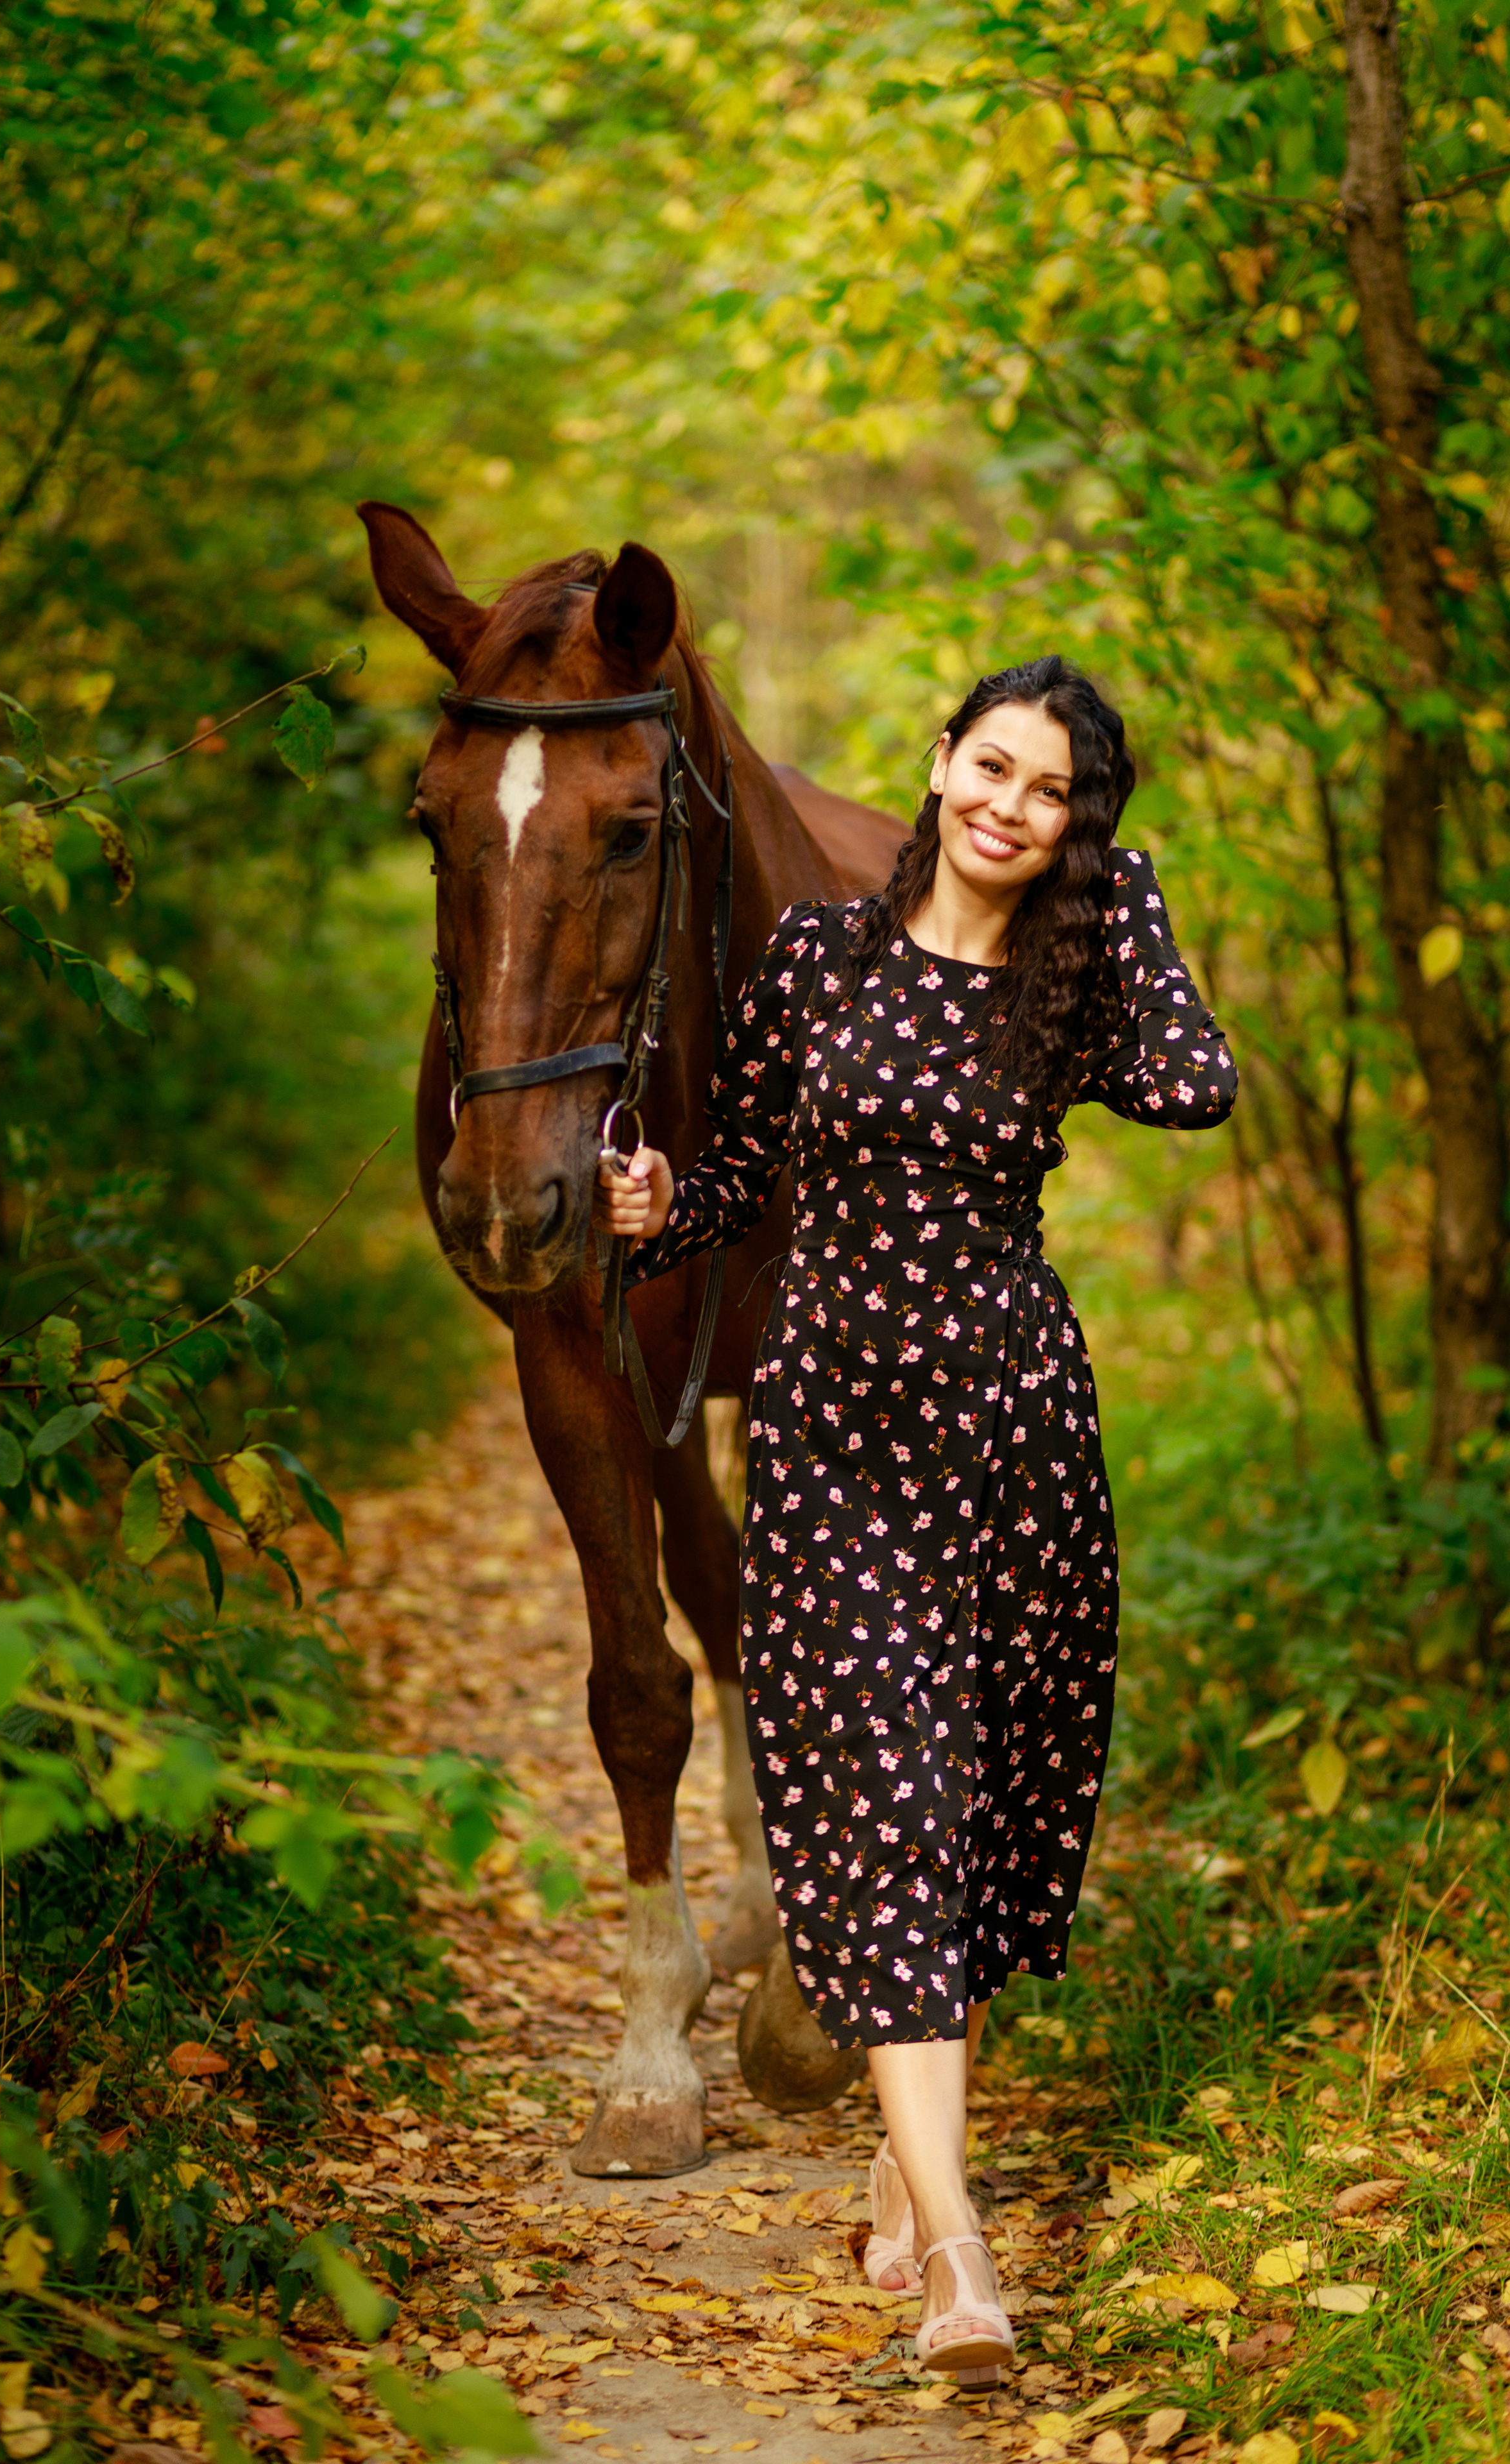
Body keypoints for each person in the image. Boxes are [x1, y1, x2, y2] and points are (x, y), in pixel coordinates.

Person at [595, 656, 1237, 2380]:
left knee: (993, 1824)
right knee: (889, 1814)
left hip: (1015, 1441)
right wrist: (663, 1207)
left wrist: (1131, 892)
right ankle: (962, 2259)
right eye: (993, 768)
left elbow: (1199, 1084)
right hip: (834, 1450)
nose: (1009, 809)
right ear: (942, 761)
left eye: (1053, 797)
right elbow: (736, 1170)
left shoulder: (1070, 983)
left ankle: (909, 2142)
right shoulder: (820, 962)